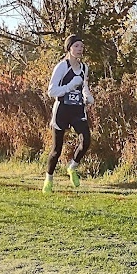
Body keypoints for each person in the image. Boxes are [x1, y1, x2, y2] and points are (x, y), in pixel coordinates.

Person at [42, 34, 95, 194]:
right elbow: (51, 91)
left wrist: (87, 95)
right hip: (62, 110)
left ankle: (72, 167)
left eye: (81, 47)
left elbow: (83, 86)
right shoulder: (62, 67)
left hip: (78, 109)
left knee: (86, 141)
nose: (80, 49)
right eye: (76, 46)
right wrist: (69, 86)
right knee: (57, 149)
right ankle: (49, 179)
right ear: (69, 48)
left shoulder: (84, 68)